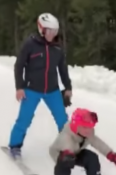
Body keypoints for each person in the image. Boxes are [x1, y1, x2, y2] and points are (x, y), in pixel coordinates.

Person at [8, 13, 72, 158]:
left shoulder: (57, 47)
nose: (52, 34)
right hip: (32, 89)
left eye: (55, 31)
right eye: (49, 31)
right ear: (41, 29)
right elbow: (19, 65)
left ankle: (68, 147)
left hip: (52, 90)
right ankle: (15, 146)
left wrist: (68, 88)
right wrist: (19, 87)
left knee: (63, 120)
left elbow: (63, 68)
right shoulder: (30, 44)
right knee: (24, 119)